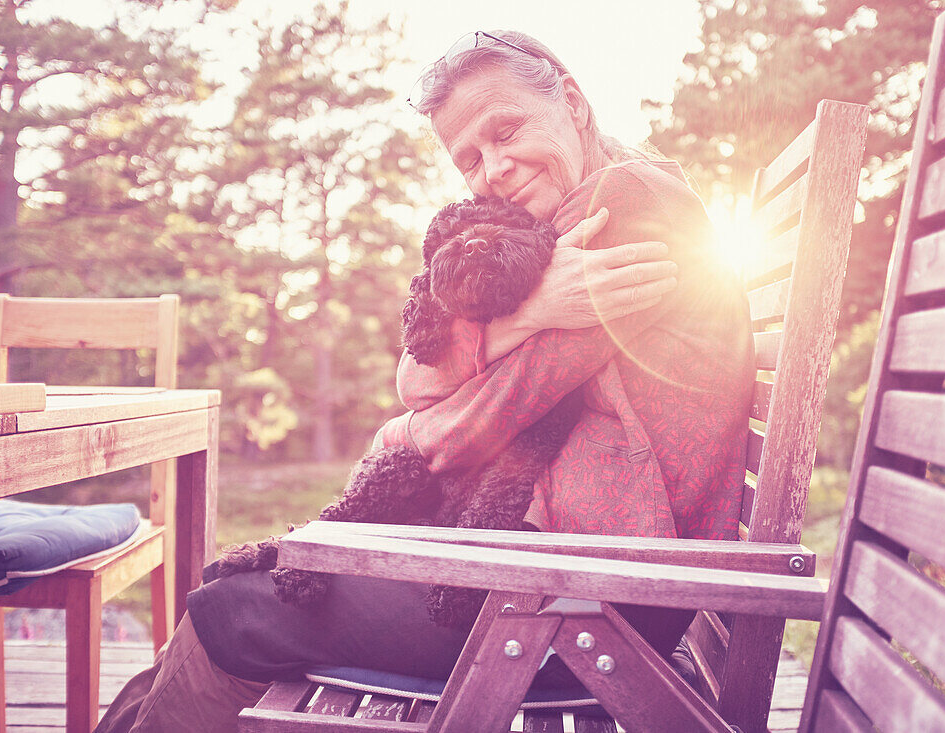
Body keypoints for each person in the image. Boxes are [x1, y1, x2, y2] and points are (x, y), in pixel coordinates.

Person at [96, 29, 753, 732]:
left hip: (588, 596)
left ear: (572, 102)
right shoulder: (564, 217)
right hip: (549, 565)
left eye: (506, 131)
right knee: (221, 597)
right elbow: (422, 367)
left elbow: (487, 409)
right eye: (469, 158)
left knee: (230, 617)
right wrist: (524, 315)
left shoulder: (621, 209)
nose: (494, 168)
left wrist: (405, 432)